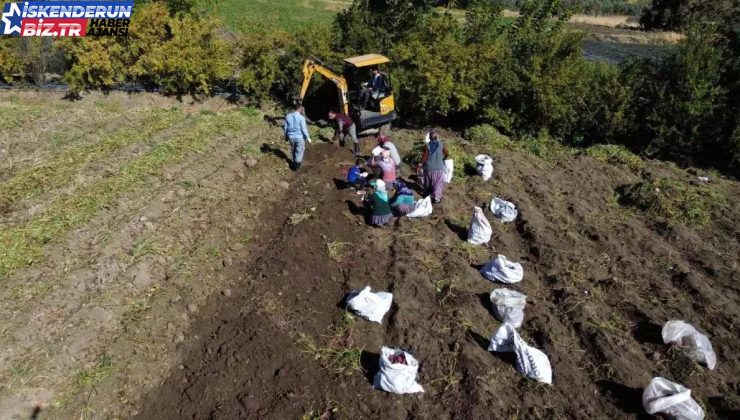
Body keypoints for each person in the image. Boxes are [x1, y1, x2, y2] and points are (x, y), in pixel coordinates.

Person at [418, 129, 449, 203]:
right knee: (438, 183)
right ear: (437, 136)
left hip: (428, 168)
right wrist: (443, 158)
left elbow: (424, 158)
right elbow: (447, 153)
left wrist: (420, 164)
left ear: (429, 137)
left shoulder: (427, 146)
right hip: (439, 168)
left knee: (428, 182)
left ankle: (426, 194)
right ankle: (437, 197)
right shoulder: (441, 144)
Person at [283, 103, 311, 171]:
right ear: (300, 108)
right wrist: (308, 137)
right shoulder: (301, 118)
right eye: (302, 109)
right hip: (299, 137)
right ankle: (297, 166)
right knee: (299, 151)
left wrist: (286, 136)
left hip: (291, 137)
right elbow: (304, 129)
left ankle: (294, 162)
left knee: (293, 150)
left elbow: (285, 128)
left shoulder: (288, 116)